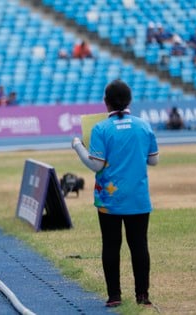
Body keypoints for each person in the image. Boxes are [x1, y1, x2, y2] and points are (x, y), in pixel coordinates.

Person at [71, 80, 159, 308]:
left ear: (106, 102)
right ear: (129, 100)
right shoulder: (143, 126)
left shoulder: (101, 128)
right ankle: (142, 295)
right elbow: (154, 160)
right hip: (138, 196)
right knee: (139, 245)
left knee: (111, 244)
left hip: (109, 198)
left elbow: (96, 166)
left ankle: (114, 296)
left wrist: (78, 146)